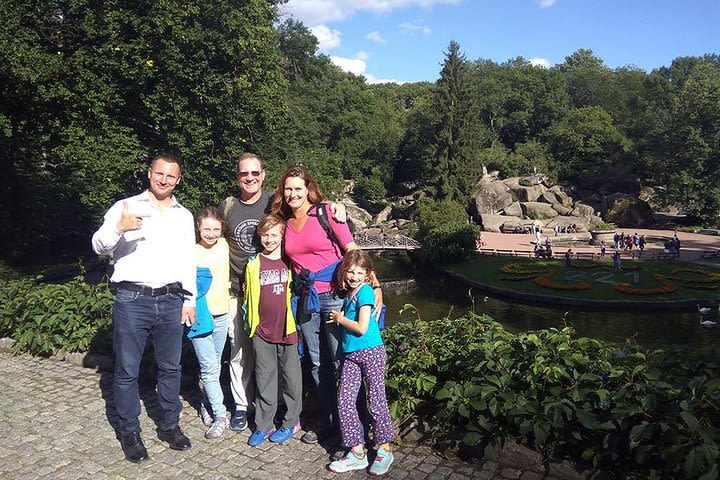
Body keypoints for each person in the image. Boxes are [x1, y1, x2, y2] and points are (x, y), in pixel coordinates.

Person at [219, 153, 346, 432]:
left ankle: (338, 422)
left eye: (255, 173)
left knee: (325, 360)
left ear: (263, 175)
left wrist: (331, 204)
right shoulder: (238, 208)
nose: (250, 178)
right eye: (244, 173)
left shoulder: (287, 206)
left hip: (308, 291)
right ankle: (247, 408)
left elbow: (346, 246)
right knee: (253, 354)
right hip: (251, 291)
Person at [91, 154, 195, 463]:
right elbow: (98, 245)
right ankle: (129, 431)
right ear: (150, 173)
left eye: (171, 176)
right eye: (159, 173)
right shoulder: (127, 206)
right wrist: (119, 229)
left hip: (171, 298)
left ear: (178, 180)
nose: (164, 179)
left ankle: (169, 425)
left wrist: (189, 300)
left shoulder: (183, 215)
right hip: (132, 299)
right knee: (126, 370)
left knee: (171, 368)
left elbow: (187, 260)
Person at [270, 165, 381, 445]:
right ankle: (327, 420)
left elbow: (353, 252)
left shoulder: (326, 213)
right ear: (282, 192)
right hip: (307, 300)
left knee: (341, 361)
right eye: (288, 188)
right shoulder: (283, 221)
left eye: (298, 188)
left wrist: (375, 285)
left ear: (308, 188)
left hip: (334, 296)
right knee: (317, 363)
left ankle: (354, 423)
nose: (293, 193)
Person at [327, 250, 394, 476]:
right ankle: (357, 452)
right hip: (352, 354)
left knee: (375, 400)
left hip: (371, 352)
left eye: (359, 272)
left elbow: (362, 327)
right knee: (345, 399)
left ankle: (384, 449)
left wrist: (339, 318)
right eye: (350, 272)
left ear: (367, 274)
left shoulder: (365, 292)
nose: (354, 276)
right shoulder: (351, 293)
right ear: (344, 272)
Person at [245, 215, 302, 447]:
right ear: (260, 236)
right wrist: (253, 325)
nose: (269, 239)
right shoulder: (253, 263)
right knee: (264, 377)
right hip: (262, 330)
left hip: (287, 329)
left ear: (282, 236)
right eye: (265, 235)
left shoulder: (291, 262)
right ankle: (263, 424)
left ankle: (291, 421)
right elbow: (249, 297)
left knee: (291, 379)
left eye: (274, 235)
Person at [191, 207, 230, 439]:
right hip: (200, 316)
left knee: (214, 365)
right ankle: (221, 415)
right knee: (209, 368)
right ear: (199, 227)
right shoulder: (191, 251)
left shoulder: (224, 245)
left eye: (216, 229)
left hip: (222, 313)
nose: (211, 233)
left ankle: (205, 403)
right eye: (207, 228)